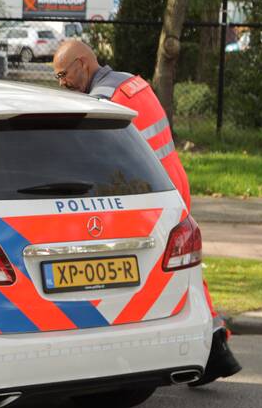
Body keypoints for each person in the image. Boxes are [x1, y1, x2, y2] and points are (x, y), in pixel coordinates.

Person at [52, 39, 241, 384]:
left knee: (144, 272)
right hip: (172, 183)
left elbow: (95, 160)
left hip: (146, 198)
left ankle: (201, 349)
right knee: (179, 268)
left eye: (63, 74)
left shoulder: (103, 102)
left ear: (83, 64)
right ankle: (213, 346)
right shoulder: (132, 83)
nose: (62, 83)